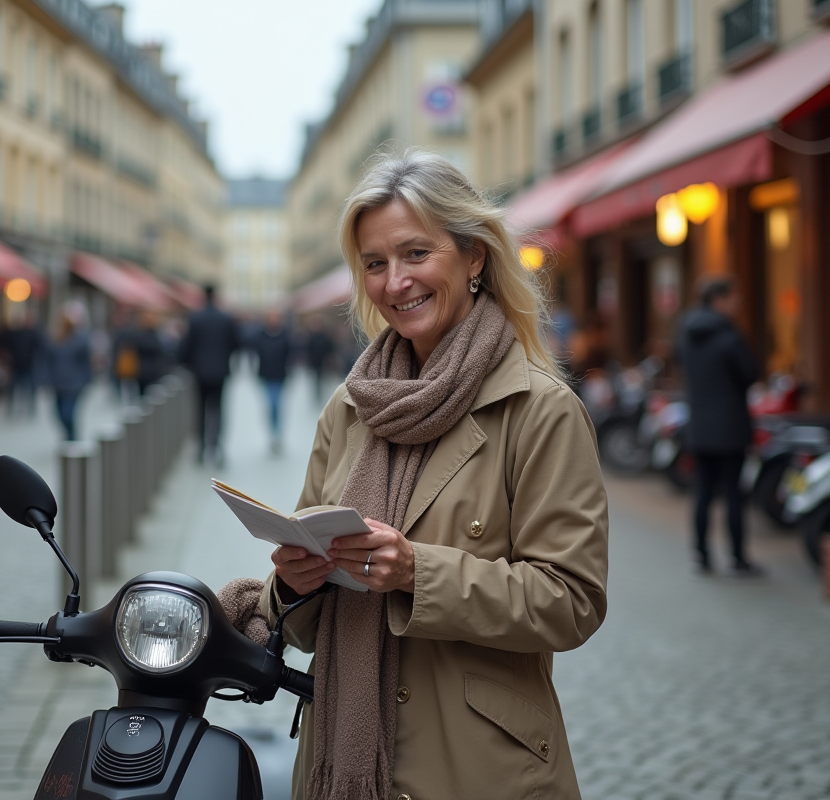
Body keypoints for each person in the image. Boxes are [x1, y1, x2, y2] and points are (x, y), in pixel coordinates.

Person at [257, 151, 609, 800]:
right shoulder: (350, 407)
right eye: (375, 263)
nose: (395, 282)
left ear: (474, 257)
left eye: (416, 253)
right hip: (341, 761)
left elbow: (573, 602)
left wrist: (418, 572)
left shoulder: (539, 410)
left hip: (478, 769)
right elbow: (305, 626)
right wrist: (290, 586)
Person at [676, 275, 762, 575]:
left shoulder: (687, 332)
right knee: (733, 494)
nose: (737, 302)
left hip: (699, 424)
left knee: (702, 492)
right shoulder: (730, 335)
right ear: (719, 300)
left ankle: (701, 556)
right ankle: (738, 558)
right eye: (733, 297)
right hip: (730, 427)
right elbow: (750, 374)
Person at [177, 285, 239, 466]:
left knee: (200, 410)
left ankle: (201, 448)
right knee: (218, 409)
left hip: (200, 371)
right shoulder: (226, 318)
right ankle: (217, 446)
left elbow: (187, 346)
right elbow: (236, 343)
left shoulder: (195, 318)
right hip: (220, 371)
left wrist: (186, 363)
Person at [43, 303, 92, 441]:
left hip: (74, 384)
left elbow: (86, 362)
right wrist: (45, 379)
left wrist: (86, 380)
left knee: (67, 413)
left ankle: (72, 437)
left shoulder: (81, 339)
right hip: (58, 383)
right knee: (58, 414)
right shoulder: (54, 338)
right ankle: (69, 436)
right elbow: (46, 360)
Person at [253, 309, 292, 453]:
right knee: (271, 405)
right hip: (266, 375)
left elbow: (290, 354)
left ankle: (277, 434)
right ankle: (273, 433)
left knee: (276, 405)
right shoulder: (260, 336)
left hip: (280, 375)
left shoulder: (285, 335)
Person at [0, 308, 42, 418]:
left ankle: (31, 409)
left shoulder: (34, 333)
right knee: (13, 388)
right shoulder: (14, 333)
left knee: (30, 387)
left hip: (29, 365)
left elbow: (40, 347)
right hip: (16, 365)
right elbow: (2, 342)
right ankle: (11, 409)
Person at [303, 316, 336, 403]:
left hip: (323, 362)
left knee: (321, 379)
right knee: (316, 380)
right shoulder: (310, 336)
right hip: (314, 362)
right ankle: (317, 395)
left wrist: (329, 359)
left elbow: (330, 348)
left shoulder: (325, 336)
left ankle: (320, 394)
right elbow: (307, 349)